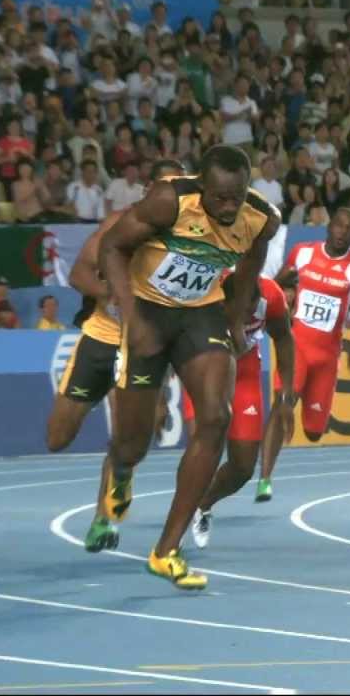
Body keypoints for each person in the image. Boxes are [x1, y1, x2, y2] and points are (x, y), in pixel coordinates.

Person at [95, 145, 280, 590]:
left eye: (237, 196)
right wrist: (130, 315)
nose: (229, 207)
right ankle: (121, 471)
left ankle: (166, 551)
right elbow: (112, 248)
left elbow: (250, 266)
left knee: (217, 417)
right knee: (135, 441)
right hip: (150, 314)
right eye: (220, 198)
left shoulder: (260, 219)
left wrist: (235, 320)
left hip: (201, 314)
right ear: (202, 186)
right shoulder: (169, 200)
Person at [47, 160, 184, 458]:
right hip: (102, 336)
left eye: (179, 189)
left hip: (143, 347)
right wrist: (113, 295)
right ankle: (104, 386)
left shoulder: (189, 242)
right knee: (57, 438)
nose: (173, 197)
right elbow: (78, 275)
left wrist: (161, 391)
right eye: (166, 188)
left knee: (128, 443)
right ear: (149, 190)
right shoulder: (118, 223)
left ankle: (110, 502)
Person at [256, 207, 350, 501]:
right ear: (329, 226)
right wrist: (280, 301)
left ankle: (311, 409)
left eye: (349, 229)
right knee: (282, 404)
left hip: (327, 357)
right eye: (339, 225)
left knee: (313, 432)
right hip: (297, 346)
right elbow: (277, 283)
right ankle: (265, 479)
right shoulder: (303, 253)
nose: (342, 232)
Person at [186, 275, 294, 548]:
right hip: (203, 368)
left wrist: (285, 395)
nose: (244, 320)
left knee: (244, 467)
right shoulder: (206, 291)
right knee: (204, 447)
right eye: (240, 313)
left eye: (251, 313)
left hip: (245, 374)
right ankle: (172, 536)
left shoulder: (272, 297)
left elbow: (283, 338)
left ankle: (203, 504)